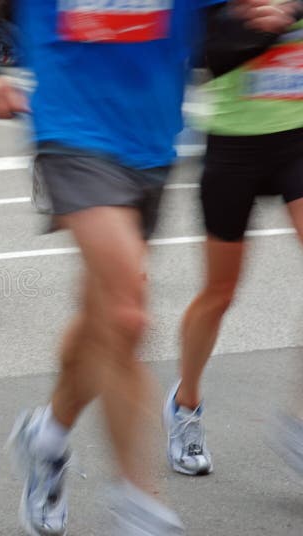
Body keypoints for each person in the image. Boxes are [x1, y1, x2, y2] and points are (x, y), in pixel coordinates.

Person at [0, 0, 282, 533]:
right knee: (129, 314)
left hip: (152, 143)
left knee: (102, 316)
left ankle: (47, 436)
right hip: (71, 134)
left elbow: (223, 25)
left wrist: (255, 20)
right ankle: (139, 503)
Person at [164, 0, 303, 479]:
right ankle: (186, 405)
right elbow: (206, 53)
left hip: (298, 136)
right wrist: (253, 23)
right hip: (234, 145)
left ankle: (301, 423)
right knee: (220, 294)